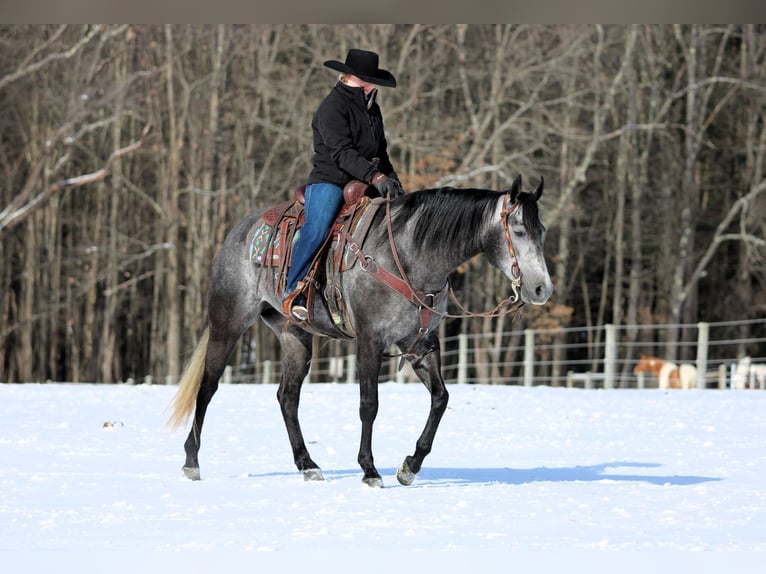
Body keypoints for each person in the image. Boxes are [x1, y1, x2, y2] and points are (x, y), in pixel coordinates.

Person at [282, 48, 404, 321]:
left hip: (366, 179)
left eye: (373, 80)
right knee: (317, 228)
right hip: (331, 179)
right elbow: (341, 152)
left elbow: (381, 152)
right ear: (352, 77)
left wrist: (393, 181)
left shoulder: (372, 108)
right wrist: (374, 177)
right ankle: (294, 290)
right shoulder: (332, 107)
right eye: (368, 79)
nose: (372, 85)